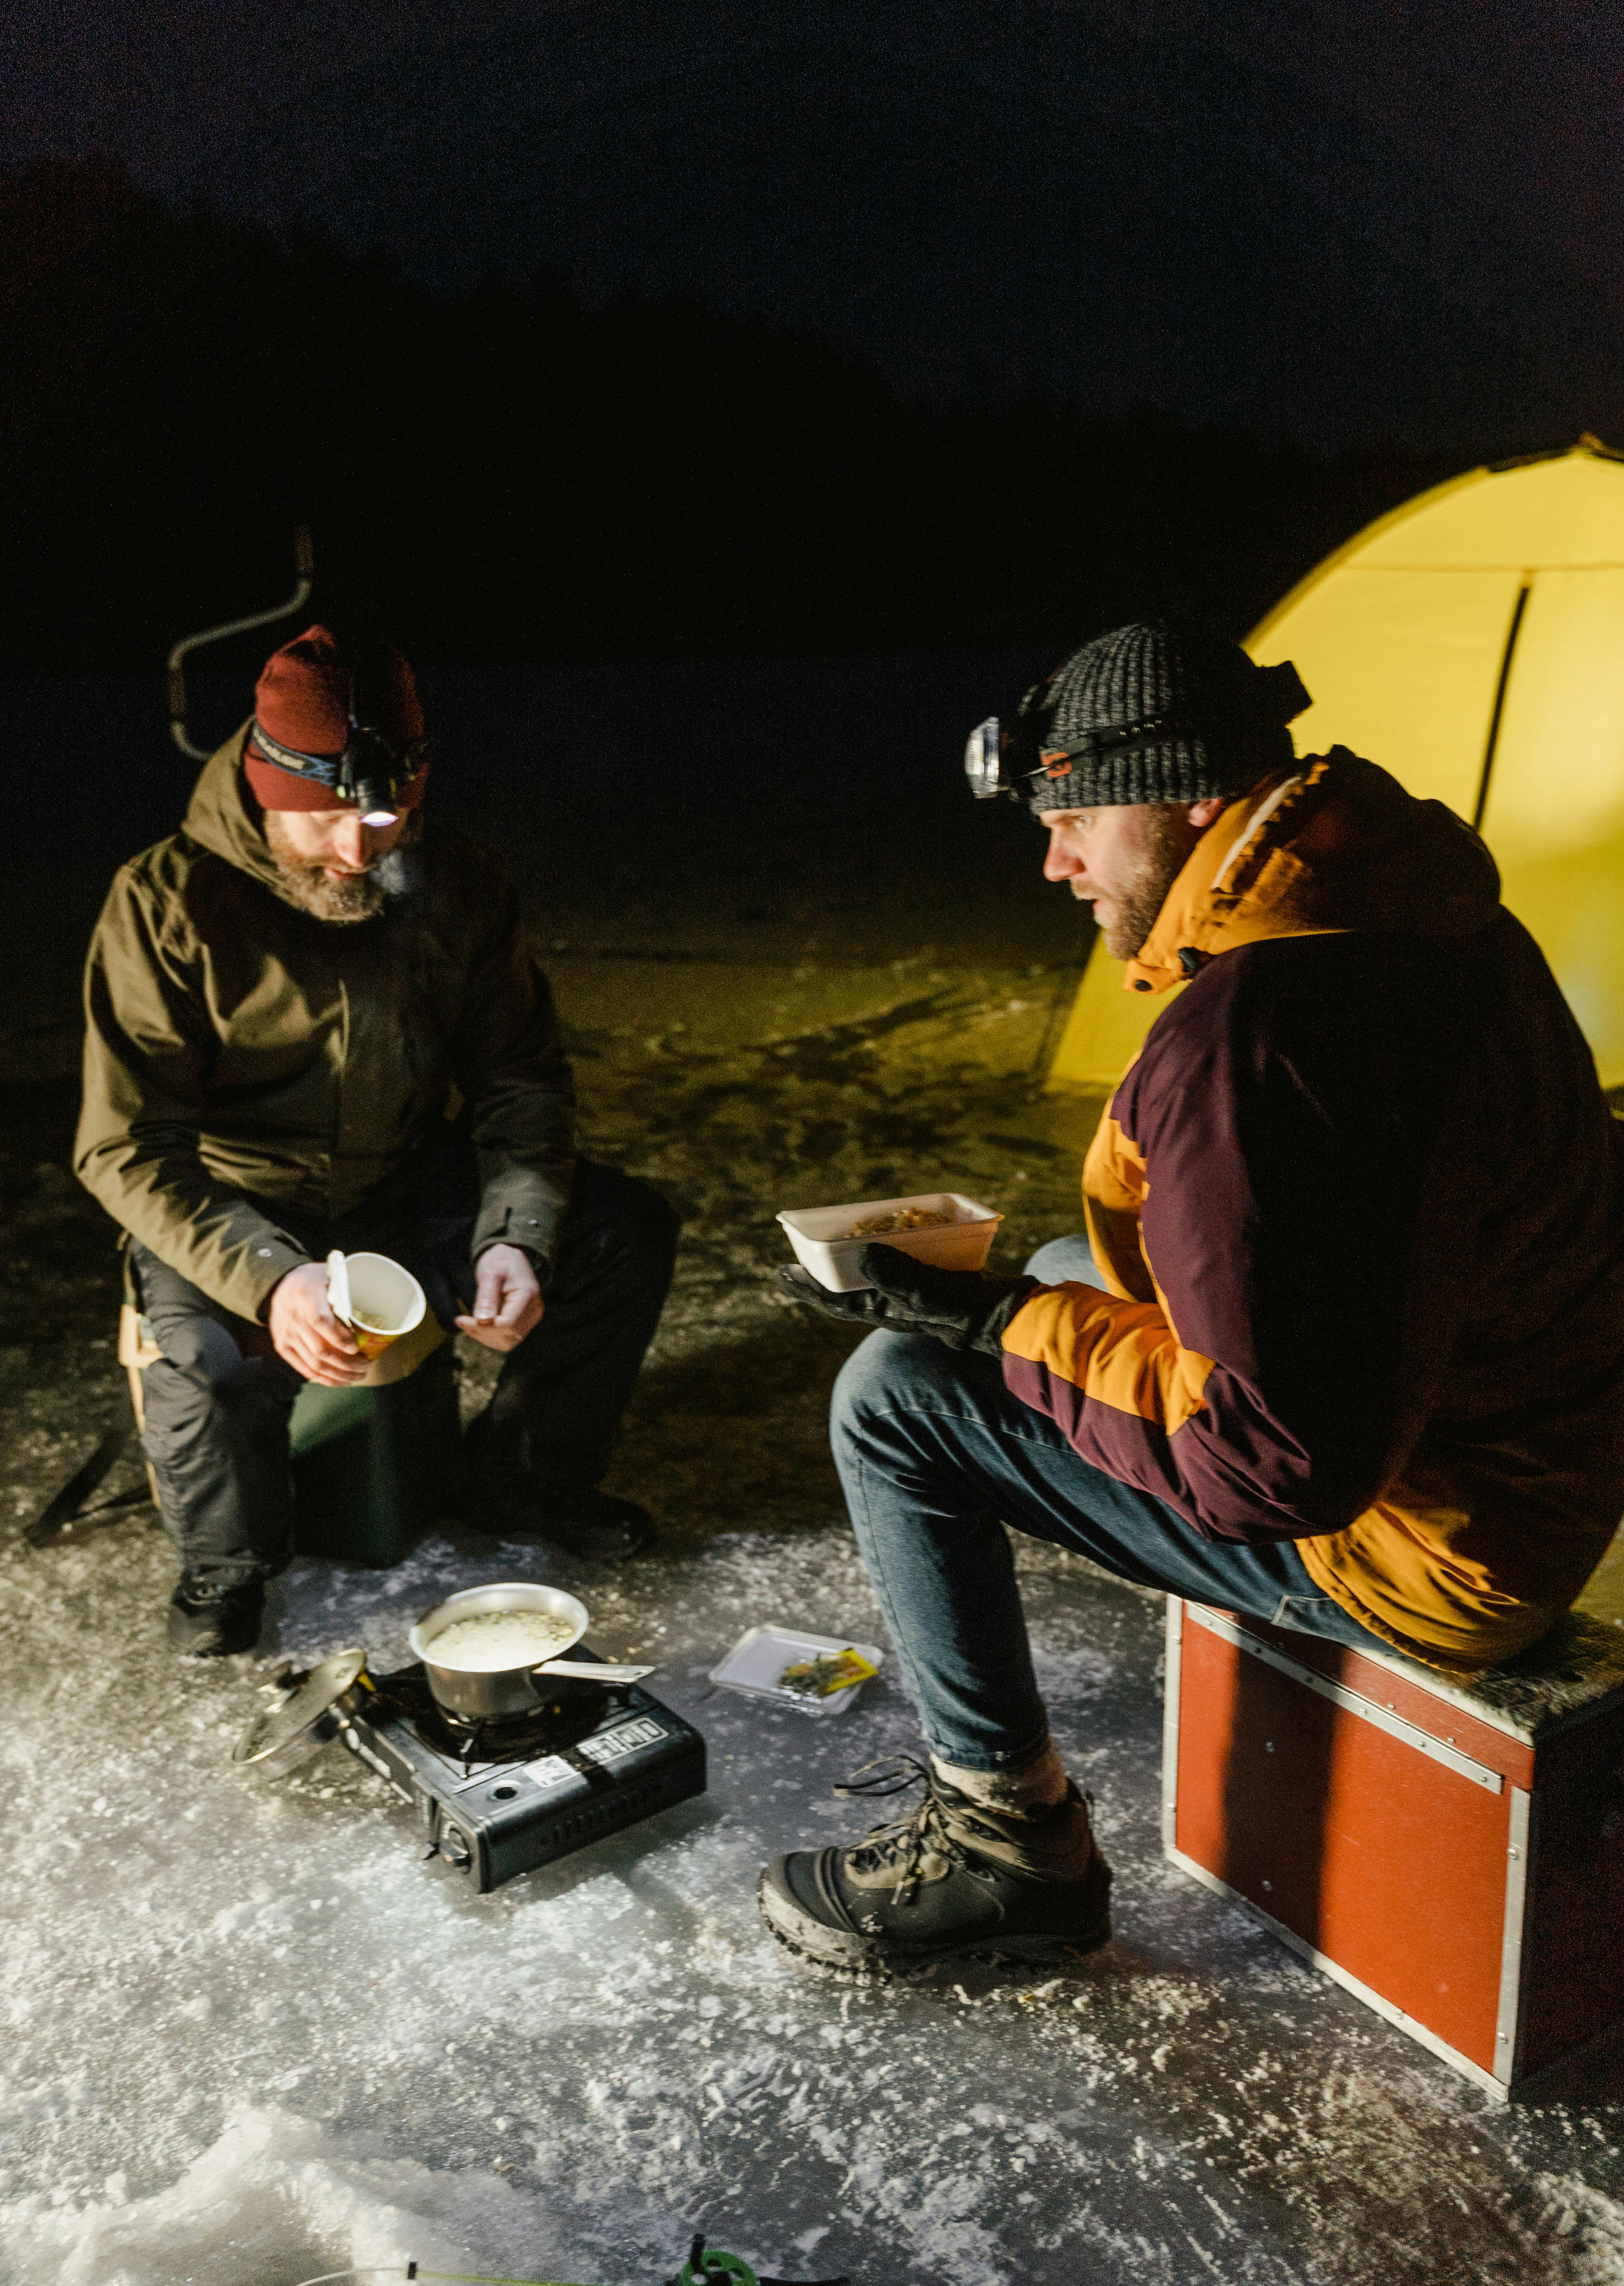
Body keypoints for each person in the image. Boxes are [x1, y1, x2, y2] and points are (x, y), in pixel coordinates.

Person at [763, 616, 1624, 1973]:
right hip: (1537, 1458)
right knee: (1057, 1269)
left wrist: (991, 1332)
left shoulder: (1259, 1041)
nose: (1054, 863)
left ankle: (1009, 1847)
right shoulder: (1418, 912)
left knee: (895, 1399)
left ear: (1191, 801)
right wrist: (1030, 1311)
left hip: (1427, 1552)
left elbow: (1274, 1468)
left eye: (1077, 824)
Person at [76, 624, 678, 1657]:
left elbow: (519, 1079)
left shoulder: (459, 880)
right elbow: (125, 1146)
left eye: (384, 816)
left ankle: (521, 1478)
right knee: (211, 1361)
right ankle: (227, 1567)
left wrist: (512, 1236)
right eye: (322, 820)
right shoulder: (165, 901)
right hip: (240, 1201)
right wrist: (272, 1279)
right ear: (267, 788)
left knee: (623, 1232)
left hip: (402, 1180)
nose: (357, 852)